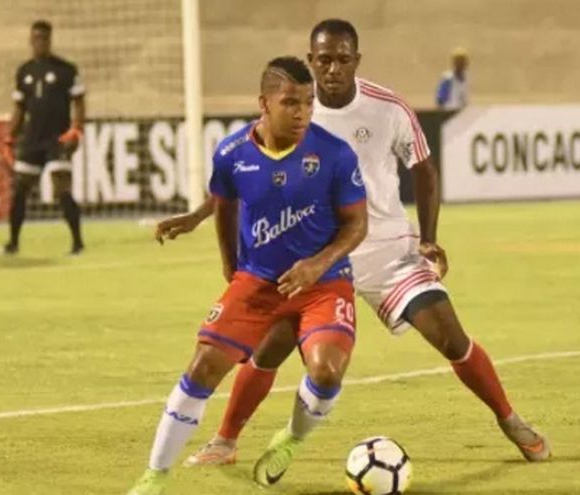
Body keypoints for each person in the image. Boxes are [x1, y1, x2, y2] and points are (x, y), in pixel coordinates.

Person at [157, 19, 551, 467]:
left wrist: (428, 239)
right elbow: (250, 173)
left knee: (450, 336)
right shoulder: (292, 110)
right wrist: (198, 215)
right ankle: (225, 440)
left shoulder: (388, 109)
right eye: (324, 59)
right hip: (316, 259)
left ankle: (510, 419)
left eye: (343, 59)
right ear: (310, 60)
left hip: (387, 251)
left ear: (356, 61)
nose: (333, 69)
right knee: (269, 349)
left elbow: (424, 170)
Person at [126, 56, 368, 495]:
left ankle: (289, 440)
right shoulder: (231, 153)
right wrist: (228, 262)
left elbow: (357, 225)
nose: (302, 113)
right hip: (257, 281)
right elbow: (225, 203)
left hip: (324, 283)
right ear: (264, 103)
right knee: (202, 367)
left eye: (308, 103)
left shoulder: (334, 154)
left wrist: (317, 264)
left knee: (327, 372)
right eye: (291, 102)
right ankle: (154, 477)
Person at [0, 20, 85, 256]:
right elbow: (19, 109)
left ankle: (77, 242)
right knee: (19, 189)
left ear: (50, 40)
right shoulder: (24, 72)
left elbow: (79, 103)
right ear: (30, 40)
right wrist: (9, 138)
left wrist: (77, 130)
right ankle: (13, 243)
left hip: (58, 139)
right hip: (32, 140)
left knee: (61, 188)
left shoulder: (66, 70)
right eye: (36, 38)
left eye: (44, 38)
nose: (40, 42)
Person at [435, 46, 469, 112]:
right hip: (449, 112)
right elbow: (440, 100)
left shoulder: (466, 78)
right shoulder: (447, 79)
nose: (460, 64)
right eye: (458, 61)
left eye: (462, 61)